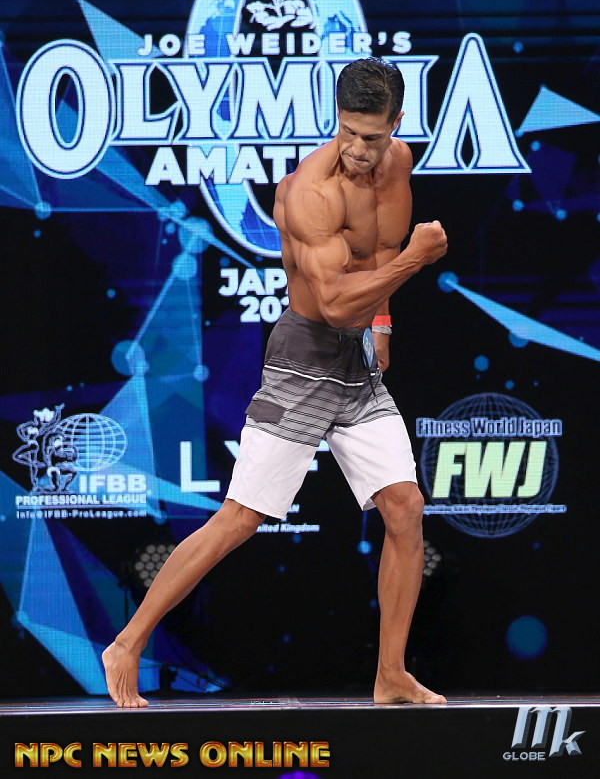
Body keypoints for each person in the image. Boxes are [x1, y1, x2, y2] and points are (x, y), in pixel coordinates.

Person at [103, 57, 448, 708]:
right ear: (336, 119)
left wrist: (383, 323)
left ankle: (390, 675)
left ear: (396, 125)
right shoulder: (308, 193)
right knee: (241, 517)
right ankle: (127, 643)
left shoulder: (397, 163)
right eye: (347, 132)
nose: (357, 149)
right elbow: (337, 302)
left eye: (372, 137)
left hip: (356, 366)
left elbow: (375, 257)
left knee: (405, 506)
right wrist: (413, 262)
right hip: (302, 361)